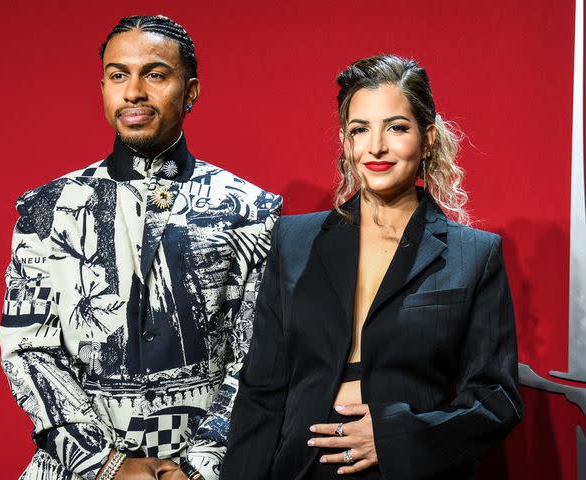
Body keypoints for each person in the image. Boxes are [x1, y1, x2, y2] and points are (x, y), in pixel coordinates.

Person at [0, 15, 281, 480]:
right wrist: (104, 465)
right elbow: (29, 351)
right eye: (117, 75)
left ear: (190, 92)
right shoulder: (46, 207)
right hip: (79, 468)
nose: (133, 92)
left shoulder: (252, 209)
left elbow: (257, 353)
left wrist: (201, 464)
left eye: (154, 74)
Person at [221, 54, 522, 480]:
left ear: (428, 137)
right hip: (300, 469)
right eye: (360, 130)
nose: (376, 147)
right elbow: (261, 392)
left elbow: (496, 400)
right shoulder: (293, 240)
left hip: (408, 469)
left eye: (397, 128)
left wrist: (397, 436)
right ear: (346, 142)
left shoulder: (474, 255)